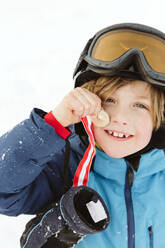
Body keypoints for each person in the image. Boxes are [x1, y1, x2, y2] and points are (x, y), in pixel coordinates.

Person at [1, 23, 165, 248]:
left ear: (159, 120)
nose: (121, 118)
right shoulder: (65, 163)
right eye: (110, 100)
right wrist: (54, 122)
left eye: (140, 106)